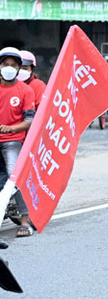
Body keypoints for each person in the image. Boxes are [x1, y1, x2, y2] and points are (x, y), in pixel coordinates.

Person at [0, 47, 35, 237]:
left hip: (13, 141)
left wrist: (11, 128)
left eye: (13, 65)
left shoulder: (25, 90)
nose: (9, 68)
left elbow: (29, 121)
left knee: (15, 177)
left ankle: (25, 220)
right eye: (5, 64)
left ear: (19, 68)